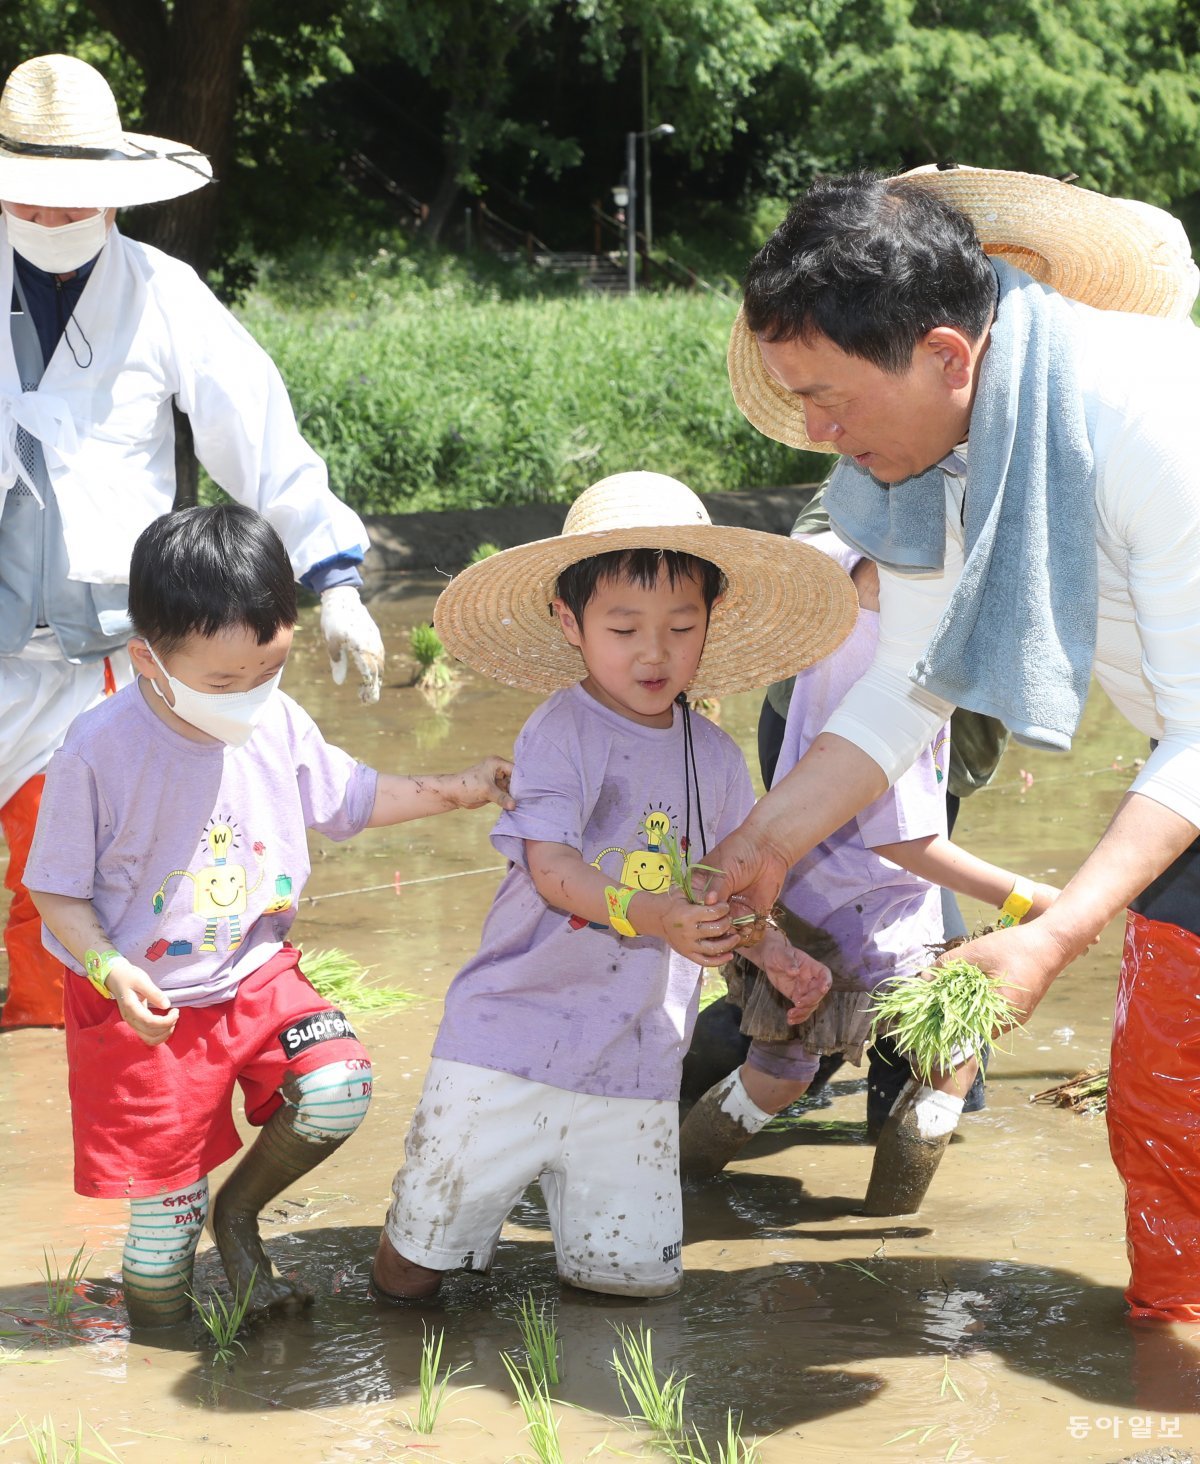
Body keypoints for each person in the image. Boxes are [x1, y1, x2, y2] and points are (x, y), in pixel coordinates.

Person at [720, 165, 1200, 1320]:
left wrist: (1053, 937)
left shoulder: (1151, 423)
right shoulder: (943, 455)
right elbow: (906, 685)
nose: (818, 435)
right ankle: (1171, 1356)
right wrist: (766, 842)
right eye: (799, 401)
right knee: (1166, 1103)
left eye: (830, 400)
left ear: (945, 354)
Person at [22, 503, 512, 1329]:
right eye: (222, 682)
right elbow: (56, 889)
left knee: (338, 1084)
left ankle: (239, 1216)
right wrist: (111, 968)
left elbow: (350, 798)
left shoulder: (275, 719)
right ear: (148, 658)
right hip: (145, 1006)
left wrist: (461, 787)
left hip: (255, 976)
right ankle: (163, 1363)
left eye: (271, 668)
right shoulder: (95, 750)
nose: (250, 696)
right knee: (159, 1260)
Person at [370, 471, 853, 1300]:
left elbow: (721, 896)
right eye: (624, 626)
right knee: (417, 1266)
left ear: (713, 623)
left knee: (629, 1288)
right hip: (510, 1044)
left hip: (635, 1057)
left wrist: (774, 954)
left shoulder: (716, 758)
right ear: (571, 622)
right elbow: (553, 871)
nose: (654, 652)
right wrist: (653, 912)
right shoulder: (562, 730)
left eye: (680, 625)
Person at [0, 53, 386, 1030]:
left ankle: (62, 1102)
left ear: (112, 200)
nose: (47, 222)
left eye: (67, 204)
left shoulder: (162, 295)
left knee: (79, 907)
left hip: (113, 664)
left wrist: (333, 579)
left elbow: (256, 433)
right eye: (28, 204)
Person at [678, 530, 1057, 1213]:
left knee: (780, 1071)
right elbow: (902, 838)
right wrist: (1031, 899)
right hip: (874, 908)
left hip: (803, 892)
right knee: (953, 1055)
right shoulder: (902, 674)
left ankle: (680, 1182)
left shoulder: (838, 575)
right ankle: (890, 1217)